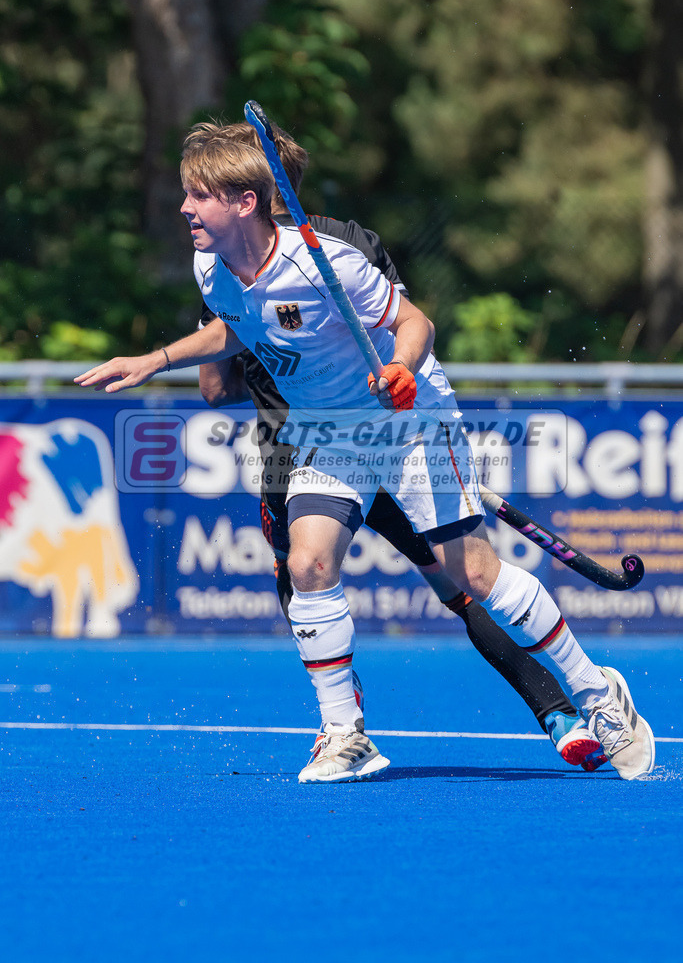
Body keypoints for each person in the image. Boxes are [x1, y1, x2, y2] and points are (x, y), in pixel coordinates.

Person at [75, 124, 656, 784]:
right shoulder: (209, 266)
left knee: (475, 577)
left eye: (197, 196)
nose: (184, 208)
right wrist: (155, 359)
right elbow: (230, 332)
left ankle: (594, 692)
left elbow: (415, 323)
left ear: (243, 202)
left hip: (407, 420)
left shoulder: (328, 260)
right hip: (327, 430)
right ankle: (346, 735)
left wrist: (403, 366)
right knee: (309, 561)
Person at [195, 121, 606, 773]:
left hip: (360, 438)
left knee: (451, 579)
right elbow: (220, 378)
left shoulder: (329, 251)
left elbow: (397, 333)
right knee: (324, 574)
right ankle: (355, 723)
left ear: (253, 191)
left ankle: (551, 706)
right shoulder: (231, 261)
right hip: (304, 451)